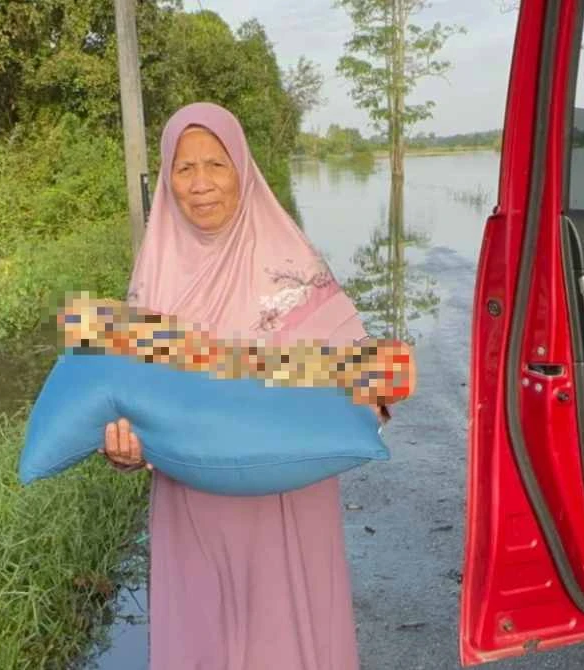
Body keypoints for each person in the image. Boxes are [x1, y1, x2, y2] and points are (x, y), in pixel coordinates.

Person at [99, 102, 389, 670]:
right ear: (166, 178)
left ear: (243, 170)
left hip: (287, 508)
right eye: (184, 168)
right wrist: (124, 452)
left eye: (216, 164)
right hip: (190, 515)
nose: (201, 184)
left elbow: (375, 383)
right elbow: (129, 409)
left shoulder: (292, 265)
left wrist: (360, 404)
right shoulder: (151, 276)